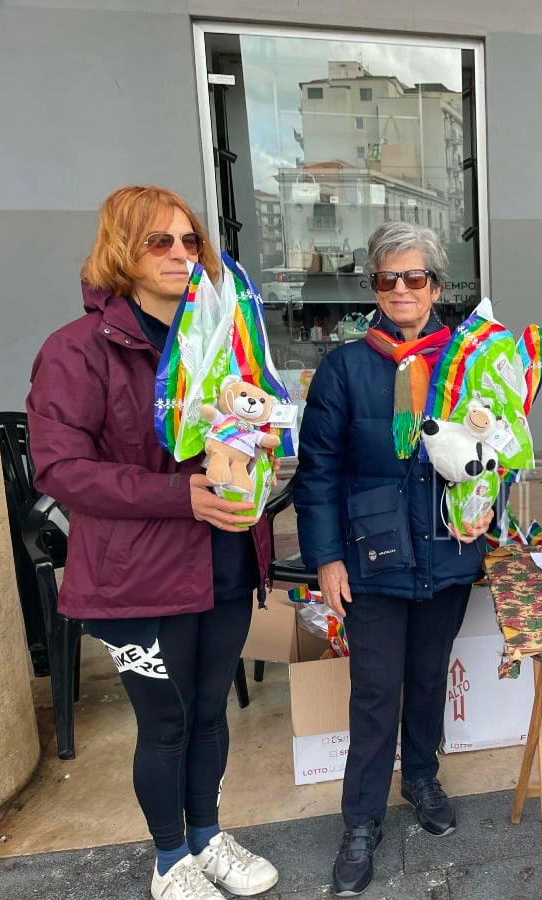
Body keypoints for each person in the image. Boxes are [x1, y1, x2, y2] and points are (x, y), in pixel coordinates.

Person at [27, 186, 279, 900]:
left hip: (225, 558)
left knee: (209, 713)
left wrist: (259, 455)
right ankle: (169, 859)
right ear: (120, 253)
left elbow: (248, 429)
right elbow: (61, 469)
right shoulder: (78, 350)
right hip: (137, 575)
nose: (179, 254)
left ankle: (207, 835)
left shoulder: (224, 338)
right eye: (157, 242)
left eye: (189, 242)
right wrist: (180, 495)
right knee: (165, 724)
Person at [294, 222, 493, 897]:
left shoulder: (470, 361)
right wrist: (326, 559)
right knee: (375, 693)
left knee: (429, 676)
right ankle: (361, 821)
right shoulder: (345, 368)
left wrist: (492, 498)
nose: (402, 289)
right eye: (388, 279)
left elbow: (502, 448)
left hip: (446, 549)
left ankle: (423, 780)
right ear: (373, 288)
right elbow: (317, 472)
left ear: (437, 286)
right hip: (371, 557)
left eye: (416, 278)